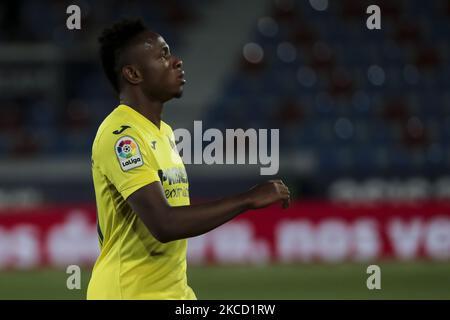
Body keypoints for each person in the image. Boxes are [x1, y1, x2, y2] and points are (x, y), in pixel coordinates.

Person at [87, 18, 290, 300]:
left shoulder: (164, 132)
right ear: (133, 74)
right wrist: (247, 199)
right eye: (163, 55)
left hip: (174, 293)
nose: (177, 61)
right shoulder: (121, 136)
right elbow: (164, 224)